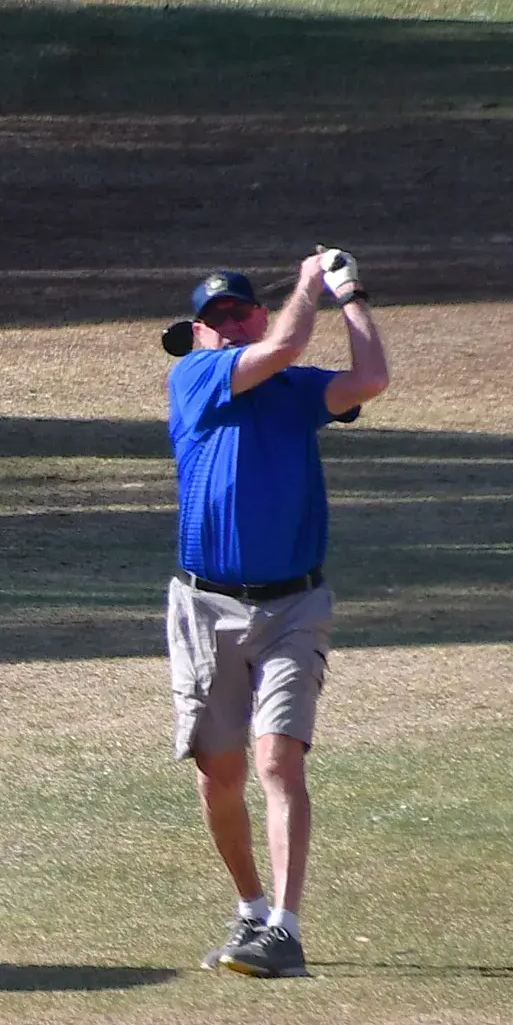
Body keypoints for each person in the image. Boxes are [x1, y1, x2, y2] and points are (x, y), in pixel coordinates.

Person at [162, 250, 388, 978]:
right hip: (205, 607)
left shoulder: (294, 389)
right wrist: (309, 281)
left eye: (239, 313)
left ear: (257, 317)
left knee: (277, 759)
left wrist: (351, 297)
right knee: (217, 773)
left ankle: (285, 930)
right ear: (197, 334)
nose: (228, 326)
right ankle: (251, 909)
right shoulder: (194, 377)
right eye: (215, 319)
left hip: (295, 603)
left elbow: (371, 380)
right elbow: (288, 343)